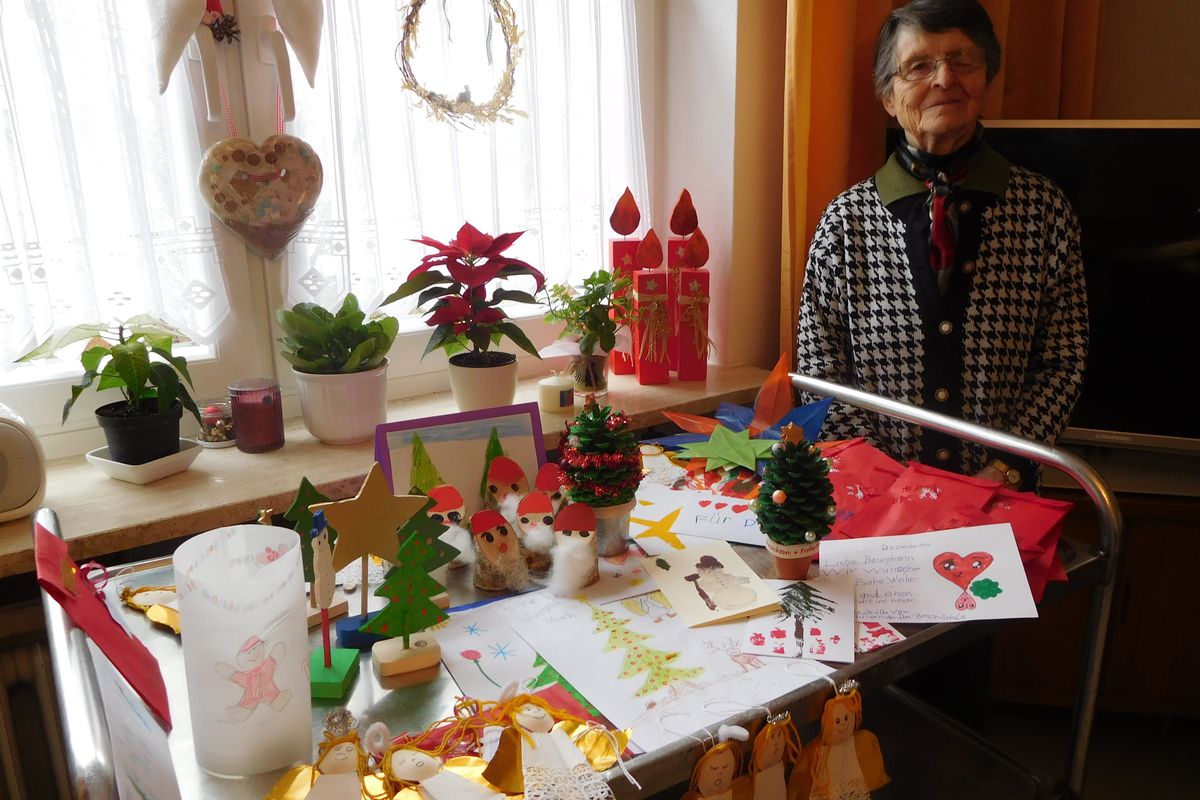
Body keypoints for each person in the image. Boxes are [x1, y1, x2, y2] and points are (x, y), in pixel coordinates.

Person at [795, 0, 1088, 491]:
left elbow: (1062, 362)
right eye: (919, 66)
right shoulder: (844, 223)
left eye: (961, 59)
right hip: (877, 503)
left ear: (985, 76)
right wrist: (889, 486)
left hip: (1004, 500)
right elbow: (819, 372)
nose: (945, 78)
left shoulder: (1044, 211)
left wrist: (1003, 471)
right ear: (888, 97)